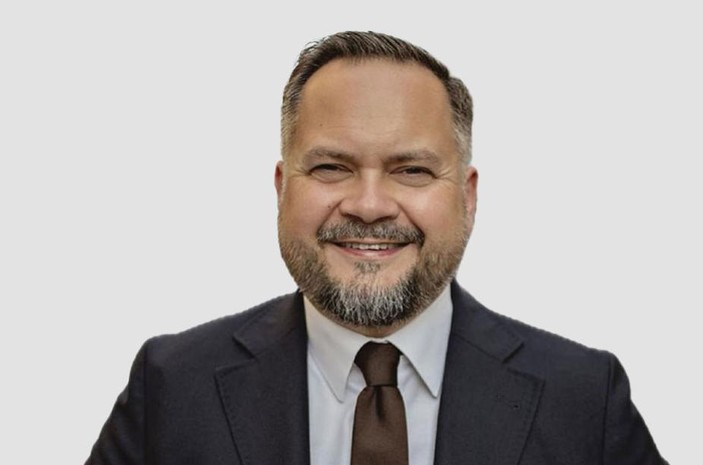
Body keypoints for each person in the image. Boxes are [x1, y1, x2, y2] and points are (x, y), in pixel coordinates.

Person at [86, 31, 667, 465]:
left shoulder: (585, 398)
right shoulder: (172, 386)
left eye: (411, 170)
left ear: (466, 197)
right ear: (282, 188)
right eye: (331, 167)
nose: (369, 205)